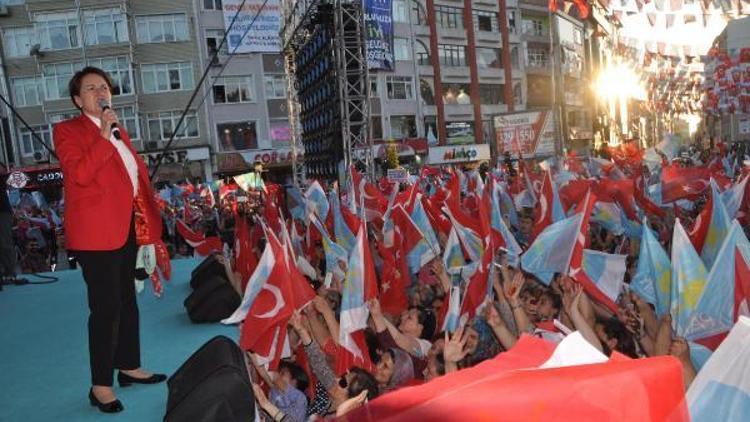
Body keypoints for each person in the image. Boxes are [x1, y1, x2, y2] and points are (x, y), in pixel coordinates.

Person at [53, 66, 166, 413]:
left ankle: (129, 366)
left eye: (104, 86)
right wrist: (104, 134)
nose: (100, 92)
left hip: (129, 227)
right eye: (91, 88)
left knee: (128, 300)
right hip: (95, 234)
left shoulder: (119, 130)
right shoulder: (68, 131)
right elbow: (81, 175)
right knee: (105, 310)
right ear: (77, 99)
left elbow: (130, 177)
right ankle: (100, 385)